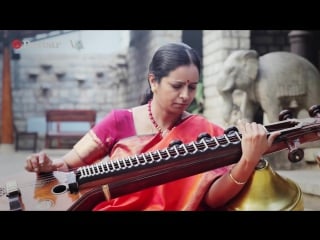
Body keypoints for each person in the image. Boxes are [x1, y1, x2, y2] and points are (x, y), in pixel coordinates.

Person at [25, 42, 279, 211]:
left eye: (192, 87)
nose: (186, 95)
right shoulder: (119, 121)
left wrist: (247, 161)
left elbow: (211, 199)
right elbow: (66, 166)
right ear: (153, 81)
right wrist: (46, 165)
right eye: (177, 86)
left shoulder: (206, 131)